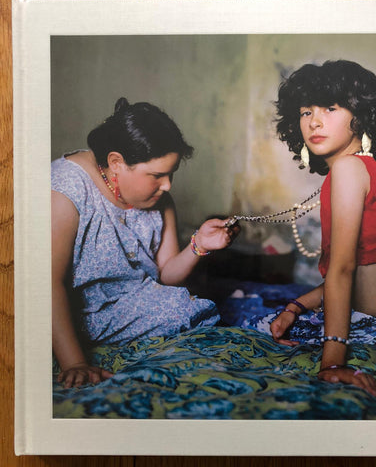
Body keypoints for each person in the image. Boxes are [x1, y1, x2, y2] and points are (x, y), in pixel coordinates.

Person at [245, 60, 376, 397]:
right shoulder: (363, 168)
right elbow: (363, 274)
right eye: (305, 111)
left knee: (250, 321)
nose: (314, 121)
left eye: (330, 108)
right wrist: (297, 306)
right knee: (282, 307)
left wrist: (332, 363)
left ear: (361, 117)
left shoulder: (347, 171)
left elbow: (342, 270)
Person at [52, 98, 239, 388]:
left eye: (171, 173)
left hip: (128, 305)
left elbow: (166, 275)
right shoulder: (65, 189)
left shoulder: (159, 198)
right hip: (72, 309)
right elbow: (46, 283)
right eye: (157, 175)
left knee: (189, 308)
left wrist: (199, 244)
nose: (168, 185)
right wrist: (75, 363)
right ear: (116, 163)